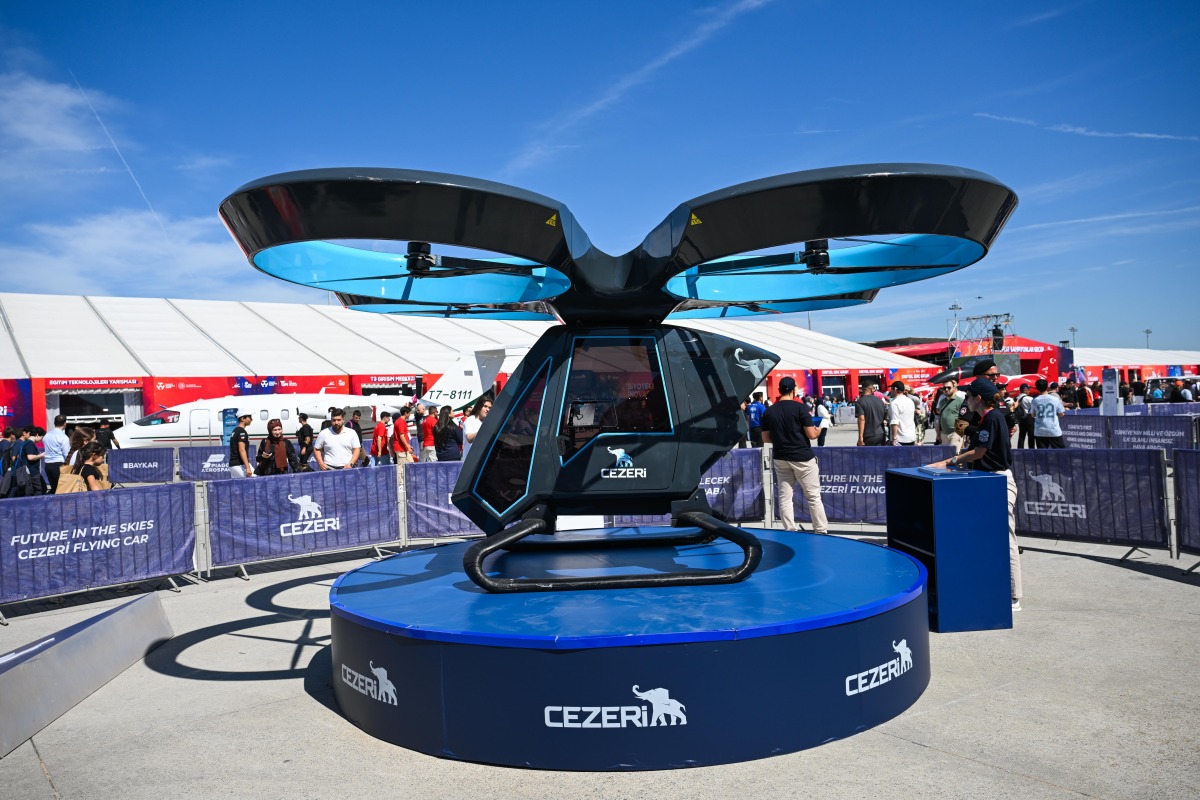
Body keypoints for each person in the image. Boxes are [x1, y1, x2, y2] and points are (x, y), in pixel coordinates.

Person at [927, 378, 1023, 612]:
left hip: (998, 481)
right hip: (988, 481)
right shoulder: (989, 417)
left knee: (1005, 538)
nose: (965, 400)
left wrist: (947, 462)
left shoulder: (992, 417)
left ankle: (1012, 596)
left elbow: (979, 452)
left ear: (978, 398)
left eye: (968, 396)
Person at [761, 376, 828, 535]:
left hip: (781, 457)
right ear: (793, 391)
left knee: (785, 497)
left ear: (779, 390)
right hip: (802, 457)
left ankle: (790, 529)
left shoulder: (769, 411)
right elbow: (811, 435)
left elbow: (765, 438)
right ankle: (821, 530)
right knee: (813, 496)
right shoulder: (800, 408)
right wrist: (820, 429)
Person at [1031, 379, 1066, 449]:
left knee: (1042, 455)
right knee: (1061, 453)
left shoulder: (1034, 400)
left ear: (1037, 388)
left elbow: (1033, 415)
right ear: (1047, 387)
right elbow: (1062, 413)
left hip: (1040, 431)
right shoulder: (1055, 399)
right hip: (1053, 429)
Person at [43, 414, 71, 494]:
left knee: (54, 488)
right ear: (65, 423)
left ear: (54, 423)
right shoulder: (63, 437)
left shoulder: (47, 435)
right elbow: (67, 453)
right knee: (63, 489)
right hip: (58, 464)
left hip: (47, 464)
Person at [887, 381, 917, 446]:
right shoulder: (910, 401)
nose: (890, 391)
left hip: (900, 439)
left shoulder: (894, 403)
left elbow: (895, 422)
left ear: (895, 389)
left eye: (891, 389)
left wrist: (894, 439)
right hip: (911, 436)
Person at [228, 412, 255, 478]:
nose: (251, 419)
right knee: (255, 481)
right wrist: (247, 467)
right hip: (239, 464)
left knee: (239, 486)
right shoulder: (241, 432)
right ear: (243, 418)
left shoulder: (235, 430)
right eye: (250, 417)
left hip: (234, 465)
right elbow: (242, 450)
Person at [1014, 384, 1035, 449]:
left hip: (1021, 418)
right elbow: (1035, 407)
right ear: (1025, 390)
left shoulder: (1016, 398)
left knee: (1021, 435)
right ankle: (1031, 450)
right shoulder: (1029, 398)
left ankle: (1020, 450)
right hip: (1029, 417)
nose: (1029, 391)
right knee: (1031, 435)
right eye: (1028, 389)